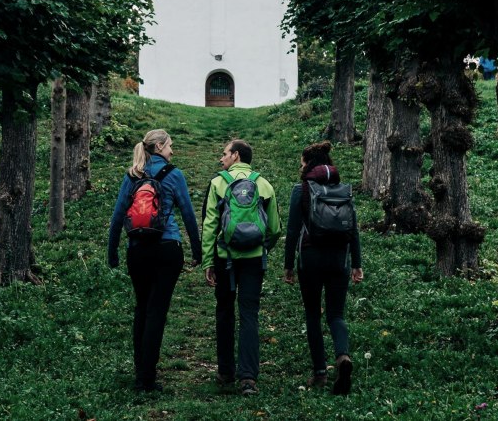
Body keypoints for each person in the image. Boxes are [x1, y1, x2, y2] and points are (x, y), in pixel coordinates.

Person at [107, 129, 202, 393]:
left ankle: (141, 373)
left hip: (136, 250)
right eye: (170, 145)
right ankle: (147, 379)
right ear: (159, 146)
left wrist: (112, 253)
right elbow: (188, 215)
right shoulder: (174, 174)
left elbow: (117, 217)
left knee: (142, 308)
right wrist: (197, 251)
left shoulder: (133, 174)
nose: (172, 150)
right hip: (167, 248)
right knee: (156, 311)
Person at [201, 138, 282, 395]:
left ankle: (225, 371)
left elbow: (210, 225)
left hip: (225, 258)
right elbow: (275, 228)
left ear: (236, 156)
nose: (221, 158)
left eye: (224, 153)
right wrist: (262, 247)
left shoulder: (217, 183)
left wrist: (208, 260)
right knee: (249, 313)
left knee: (224, 310)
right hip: (254, 258)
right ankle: (248, 378)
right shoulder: (263, 184)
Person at [282, 141, 364, 395]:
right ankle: (342, 357)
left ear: (309, 163)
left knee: (312, 314)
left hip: (311, 259)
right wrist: (357, 264)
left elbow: (293, 230)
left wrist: (288, 266)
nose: (300, 165)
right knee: (336, 315)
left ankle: (319, 373)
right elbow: (353, 230)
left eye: (302, 161)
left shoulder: (302, 190)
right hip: (340, 259)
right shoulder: (342, 190)